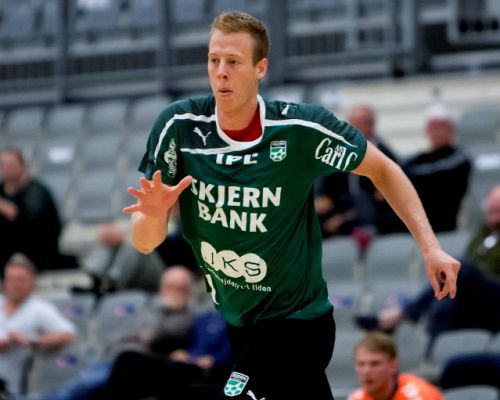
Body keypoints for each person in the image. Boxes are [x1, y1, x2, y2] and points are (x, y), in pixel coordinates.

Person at [122, 11, 460, 400]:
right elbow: (145, 243)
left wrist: (430, 247)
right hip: (240, 323)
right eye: (214, 60)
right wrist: (153, 214)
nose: (221, 72)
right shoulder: (179, 126)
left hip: (298, 321)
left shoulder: (300, 129)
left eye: (233, 61)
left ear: (260, 68)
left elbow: (384, 170)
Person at [39, 265, 231, 400]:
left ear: (188, 292)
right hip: (118, 357)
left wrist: (167, 309)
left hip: (143, 360)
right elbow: (122, 336)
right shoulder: (151, 308)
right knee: (88, 380)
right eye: (169, 286)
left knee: (91, 382)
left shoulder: (185, 316)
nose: (173, 292)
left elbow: (153, 336)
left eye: (179, 288)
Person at [364, 184, 500, 346]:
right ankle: (434, 349)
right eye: (491, 209)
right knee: (445, 301)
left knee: (460, 267)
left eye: (497, 210)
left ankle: (406, 313)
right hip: (475, 296)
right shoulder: (484, 234)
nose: (493, 215)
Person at [0, 253, 77, 396]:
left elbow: (68, 335)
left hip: (11, 389)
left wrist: (30, 340)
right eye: (10, 279)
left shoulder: (39, 309)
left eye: (20, 280)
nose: (14, 285)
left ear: (32, 282)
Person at [0, 147, 76, 275]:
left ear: (23, 166)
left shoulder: (36, 191)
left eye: (11, 165)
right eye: (4, 165)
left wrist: (4, 207)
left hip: (39, 257)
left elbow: (30, 221)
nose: (8, 169)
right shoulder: (2, 190)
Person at [403, 103, 471, 233]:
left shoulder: (460, 159)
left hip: (446, 227)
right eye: (433, 127)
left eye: (441, 127)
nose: (437, 132)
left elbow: (437, 179)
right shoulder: (419, 159)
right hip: (419, 227)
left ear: (451, 129)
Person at [347, 105, 405, 237]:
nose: (355, 128)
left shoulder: (384, 153)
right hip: (346, 208)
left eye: (360, 123)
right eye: (352, 124)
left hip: (375, 209)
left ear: (371, 125)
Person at [348, 332, 444, 400]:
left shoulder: (418, 395)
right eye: (361, 364)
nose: (366, 371)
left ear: (393, 366)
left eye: (375, 364)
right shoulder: (357, 397)